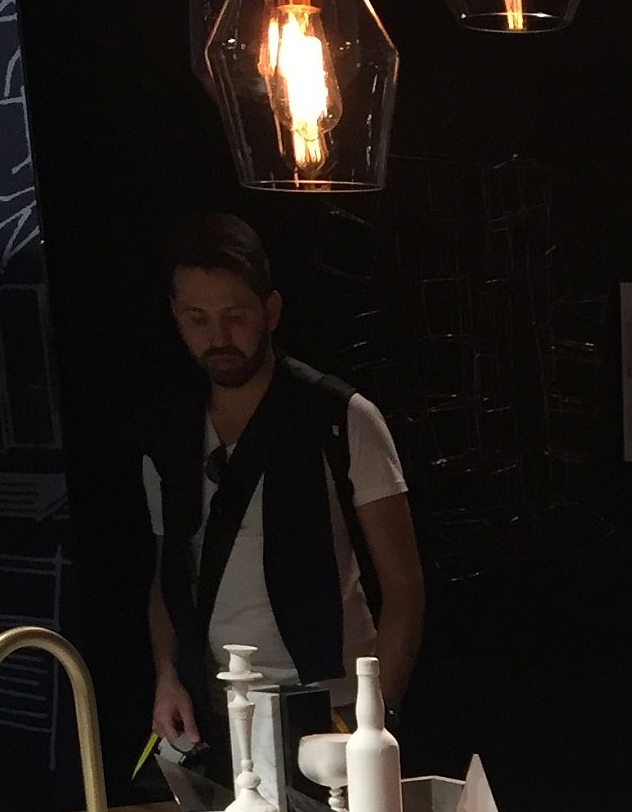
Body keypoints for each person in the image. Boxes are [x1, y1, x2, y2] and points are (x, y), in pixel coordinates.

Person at [143, 212, 423, 753]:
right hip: (212, 709)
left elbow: (404, 585)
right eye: (197, 319)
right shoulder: (167, 435)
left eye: (235, 315)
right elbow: (169, 572)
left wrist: (374, 723)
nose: (218, 337)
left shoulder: (341, 417)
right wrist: (166, 676)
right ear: (176, 316)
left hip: (331, 706)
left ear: (270, 311)